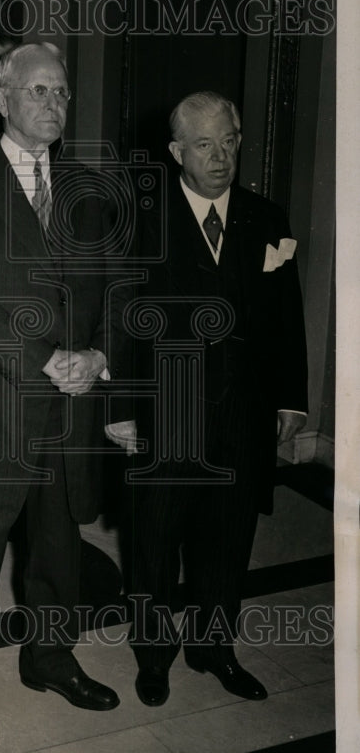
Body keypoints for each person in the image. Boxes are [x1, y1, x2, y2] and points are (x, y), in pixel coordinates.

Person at [0, 42, 128, 747]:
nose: (54, 103)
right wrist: (46, 361)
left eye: (62, 92)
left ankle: (51, 658)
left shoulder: (89, 189)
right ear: (2, 98)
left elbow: (118, 289)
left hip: (71, 403)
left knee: (58, 544)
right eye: (39, 90)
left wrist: (98, 355)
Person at [121, 90, 308, 708]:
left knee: (228, 537)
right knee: (155, 538)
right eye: (204, 145)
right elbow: (120, 317)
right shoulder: (143, 216)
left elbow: (286, 316)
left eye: (228, 141)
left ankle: (213, 648)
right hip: (166, 407)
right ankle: (154, 655)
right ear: (177, 152)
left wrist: (291, 399)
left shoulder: (266, 218)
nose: (220, 157)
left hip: (243, 409)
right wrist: (120, 407)